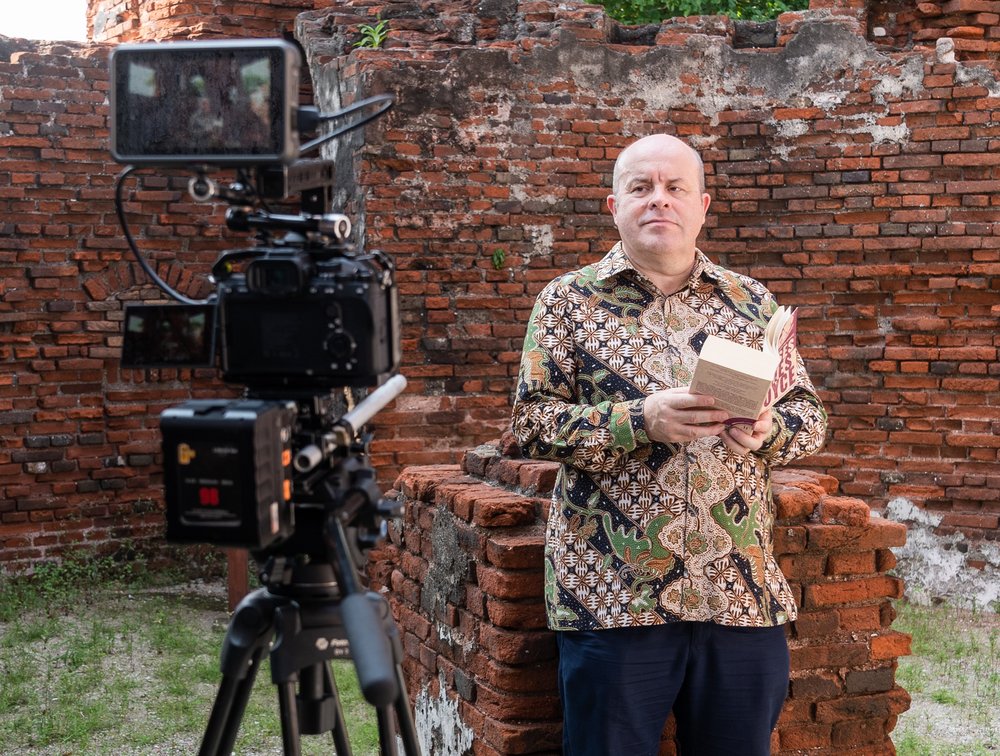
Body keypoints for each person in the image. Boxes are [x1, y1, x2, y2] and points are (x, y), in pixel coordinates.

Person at [510, 134, 827, 756]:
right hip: (613, 597)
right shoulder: (568, 302)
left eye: (675, 187)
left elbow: (809, 417)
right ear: (613, 204)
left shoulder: (750, 301)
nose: (660, 200)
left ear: (702, 204)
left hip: (740, 592)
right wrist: (639, 420)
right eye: (641, 187)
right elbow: (530, 423)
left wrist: (768, 432)